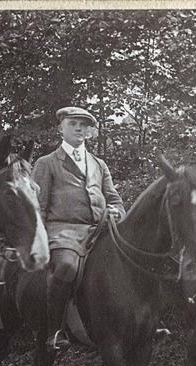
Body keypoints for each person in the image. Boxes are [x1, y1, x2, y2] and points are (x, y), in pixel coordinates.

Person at [33, 106, 126, 351]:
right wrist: (41, 240)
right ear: (61, 128)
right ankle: (55, 330)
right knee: (66, 266)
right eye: (73, 123)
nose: (78, 128)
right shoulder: (47, 163)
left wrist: (117, 211)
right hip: (63, 231)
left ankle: (133, 323)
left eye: (83, 125)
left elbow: (113, 198)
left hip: (100, 230)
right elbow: (38, 208)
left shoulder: (99, 164)